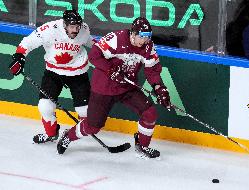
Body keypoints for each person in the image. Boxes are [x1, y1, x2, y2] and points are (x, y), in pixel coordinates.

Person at [57, 17, 171, 159]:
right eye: (142, 37)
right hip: (104, 87)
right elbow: (94, 55)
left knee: (150, 114)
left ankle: (142, 146)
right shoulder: (116, 39)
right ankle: (69, 135)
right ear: (133, 34)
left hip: (127, 86)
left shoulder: (148, 46)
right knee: (93, 127)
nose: (145, 40)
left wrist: (160, 88)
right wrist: (111, 70)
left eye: (148, 37)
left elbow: (152, 70)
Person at [9, 9, 94, 144]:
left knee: (85, 111)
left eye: (77, 26)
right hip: (53, 72)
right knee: (45, 107)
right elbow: (29, 41)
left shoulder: (83, 29)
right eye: (72, 27)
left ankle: (73, 134)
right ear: (64, 25)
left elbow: (90, 41)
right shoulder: (49, 29)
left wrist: (105, 54)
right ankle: (51, 134)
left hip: (77, 72)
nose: (76, 30)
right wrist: (19, 56)